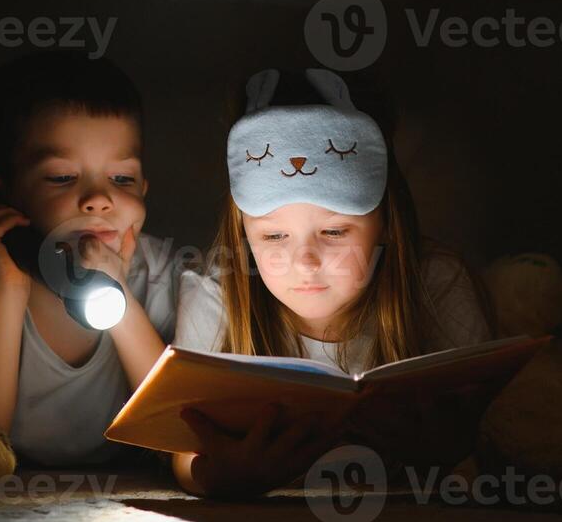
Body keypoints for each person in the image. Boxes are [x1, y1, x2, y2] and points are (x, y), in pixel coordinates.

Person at [172, 67, 493, 496]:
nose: (305, 262)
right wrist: (223, 476)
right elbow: (184, 451)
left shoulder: (437, 283)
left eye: (335, 232)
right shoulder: (217, 294)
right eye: (274, 236)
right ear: (243, 233)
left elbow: (484, 432)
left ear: (384, 223)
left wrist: (447, 453)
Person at [0, 52, 176, 465]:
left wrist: (119, 296)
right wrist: (8, 292)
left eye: (121, 178)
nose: (99, 200)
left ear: (143, 187)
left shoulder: (166, 280)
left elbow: (179, 434)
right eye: (62, 178)